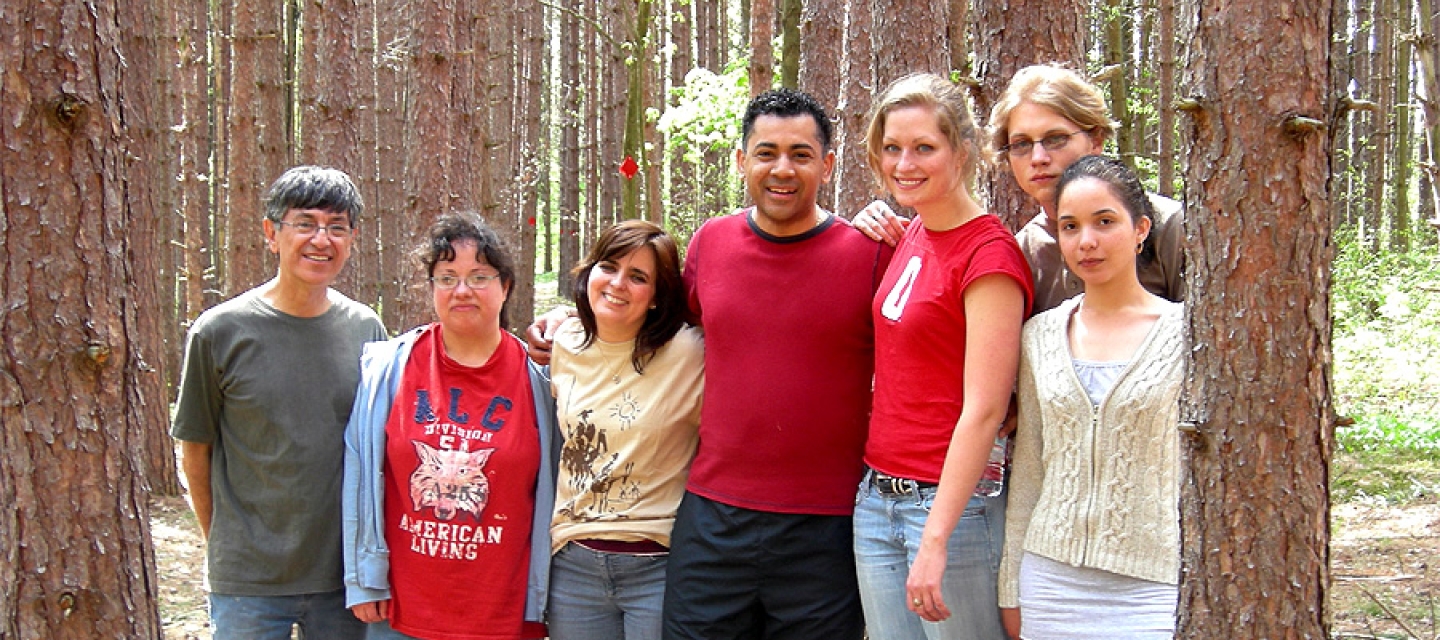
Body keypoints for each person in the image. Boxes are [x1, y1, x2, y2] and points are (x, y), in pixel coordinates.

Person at [527, 88, 891, 640]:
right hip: (712, 519)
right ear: (742, 160)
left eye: (800, 154)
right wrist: (569, 318)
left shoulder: (868, 252)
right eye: (766, 153)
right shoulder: (710, 244)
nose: (782, 169)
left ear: (828, 164)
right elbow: (648, 322)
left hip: (826, 523)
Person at [171, 166, 387, 640]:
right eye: (305, 223)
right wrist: (223, 543)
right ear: (272, 234)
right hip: (248, 583)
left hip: (343, 579)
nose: (321, 239)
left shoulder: (366, 330)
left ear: (352, 240)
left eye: (336, 227)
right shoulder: (220, 331)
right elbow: (196, 450)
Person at [853, 73, 1033, 640]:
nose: (904, 163)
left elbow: (983, 409)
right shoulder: (916, 231)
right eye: (892, 148)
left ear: (962, 150)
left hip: (949, 510)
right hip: (876, 497)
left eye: (924, 148)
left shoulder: (990, 258)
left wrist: (935, 539)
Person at [342, 212, 557, 640]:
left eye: (479, 276)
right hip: (402, 612)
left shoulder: (540, 379)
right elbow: (359, 473)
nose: (462, 290)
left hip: (505, 613)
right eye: (447, 277)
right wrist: (362, 576)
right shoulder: (389, 369)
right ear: (432, 288)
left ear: (506, 286)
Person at [999, 155, 1185, 639]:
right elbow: (1031, 467)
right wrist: (1010, 588)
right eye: (1070, 226)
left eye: (1105, 222)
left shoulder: (1186, 335)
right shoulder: (1038, 336)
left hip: (1153, 583)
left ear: (1141, 227)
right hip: (1050, 580)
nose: (1086, 241)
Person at [853, 63, 1185, 314]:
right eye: (1022, 144)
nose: (1039, 158)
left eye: (1055, 139)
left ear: (1095, 139)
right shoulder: (1025, 250)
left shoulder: (1167, 227)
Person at [546, 220, 705, 640]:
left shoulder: (688, 351)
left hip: (657, 566)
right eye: (609, 266)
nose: (618, 284)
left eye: (638, 277)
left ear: (656, 297)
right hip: (573, 565)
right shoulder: (564, 341)